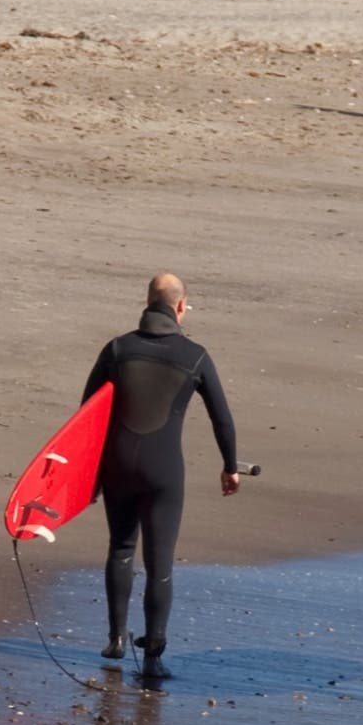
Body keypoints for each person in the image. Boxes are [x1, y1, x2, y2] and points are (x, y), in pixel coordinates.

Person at [81, 273, 239, 679]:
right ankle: (152, 656)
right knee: (160, 563)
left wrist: (88, 473)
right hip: (163, 469)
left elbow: (86, 415)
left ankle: (116, 639)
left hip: (116, 464)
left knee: (120, 548)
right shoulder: (195, 356)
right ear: (181, 306)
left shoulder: (117, 348)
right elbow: (222, 417)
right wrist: (230, 466)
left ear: (149, 302)